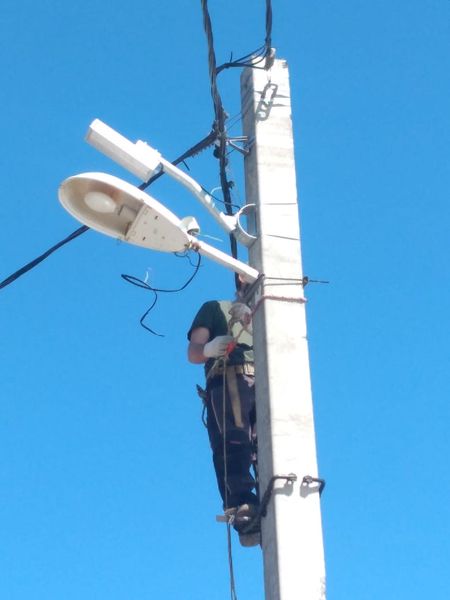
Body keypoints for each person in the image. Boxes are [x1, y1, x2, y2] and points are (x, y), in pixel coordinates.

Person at [187, 282, 259, 543]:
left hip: (268, 383)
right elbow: (193, 352)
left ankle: (271, 501)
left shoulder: (275, 314)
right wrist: (208, 349)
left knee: (266, 448)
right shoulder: (215, 309)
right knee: (234, 443)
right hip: (229, 377)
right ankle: (243, 506)